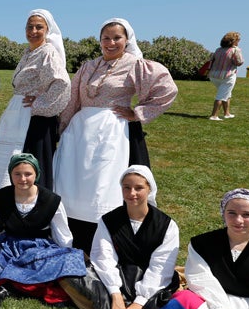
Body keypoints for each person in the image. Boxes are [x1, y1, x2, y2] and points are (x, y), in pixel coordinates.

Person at [53, 18, 177, 254]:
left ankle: (100, 237)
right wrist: (62, 128)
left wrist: (138, 112)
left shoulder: (134, 65)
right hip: (80, 132)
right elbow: (73, 99)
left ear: (126, 40)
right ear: (100, 40)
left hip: (111, 131)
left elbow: (167, 88)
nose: (111, 42)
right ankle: (69, 232)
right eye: (106, 38)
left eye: (116, 38)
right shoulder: (88, 66)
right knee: (73, 181)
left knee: (102, 184)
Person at [59, 166, 180, 309]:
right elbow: (104, 258)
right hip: (115, 278)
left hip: (148, 282)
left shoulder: (167, 226)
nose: (132, 193)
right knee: (70, 267)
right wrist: (115, 294)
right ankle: (118, 307)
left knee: (172, 299)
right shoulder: (109, 220)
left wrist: (140, 302)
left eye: (139, 188)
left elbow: (160, 268)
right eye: (127, 187)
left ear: (150, 189)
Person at [0, 153, 84, 308]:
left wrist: (65, 253)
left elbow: (62, 233)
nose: (22, 179)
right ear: (10, 174)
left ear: (36, 174)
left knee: (66, 259)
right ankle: (16, 284)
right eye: (17, 174)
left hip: (37, 248)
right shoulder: (0, 197)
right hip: (8, 245)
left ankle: (7, 287)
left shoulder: (51, 200)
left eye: (28, 174)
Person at [0, 9, 70, 192]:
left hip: (34, 117)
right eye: (30, 27)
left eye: (39, 27)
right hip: (19, 113)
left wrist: (40, 103)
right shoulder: (29, 52)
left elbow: (61, 83)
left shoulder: (47, 52)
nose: (33, 31)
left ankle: (33, 203)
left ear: (47, 30)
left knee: (31, 159)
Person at [207, 31, 244, 120]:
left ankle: (227, 113)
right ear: (234, 41)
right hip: (228, 75)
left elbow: (211, 59)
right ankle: (214, 115)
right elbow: (239, 62)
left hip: (214, 76)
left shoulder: (218, 49)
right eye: (238, 40)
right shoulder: (235, 50)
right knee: (221, 96)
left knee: (227, 93)